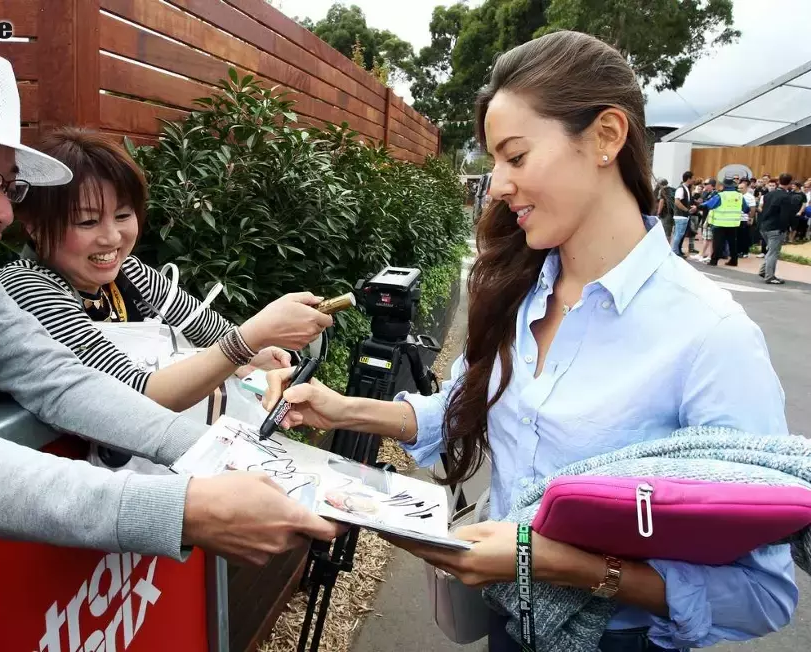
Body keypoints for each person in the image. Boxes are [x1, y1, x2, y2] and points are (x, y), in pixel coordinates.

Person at [263, 30, 796, 651]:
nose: (496, 185)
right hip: (509, 624)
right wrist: (339, 407)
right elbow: (461, 404)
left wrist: (553, 562)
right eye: (495, 162)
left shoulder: (712, 337)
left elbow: (762, 593)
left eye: (515, 157)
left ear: (605, 137)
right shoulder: (521, 290)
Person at [0, 38, 338, 567]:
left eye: (8, 185)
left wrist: (221, 456)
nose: (2, 211)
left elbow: (61, 381)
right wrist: (178, 509)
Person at [0, 127, 332, 468]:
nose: (112, 238)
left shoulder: (131, 274)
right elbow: (137, 397)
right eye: (87, 221)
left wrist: (255, 359)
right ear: (34, 225)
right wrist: (251, 338)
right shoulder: (27, 287)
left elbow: (213, 332)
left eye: (123, 215)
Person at [698, 176, 749, 267]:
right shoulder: (739, 195)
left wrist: (698, 207)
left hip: (719, 224)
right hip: (733, 223)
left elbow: (709, 205)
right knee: (732, 243)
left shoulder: (721, 195)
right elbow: (746, 209)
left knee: (717, 243)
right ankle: (734, 260)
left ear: (724, 186)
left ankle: (714, 261)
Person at [758, 174, 794, 285]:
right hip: (776, 227)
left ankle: (764, 271)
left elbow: (763, 209)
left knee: (770, 251)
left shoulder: (769, 194)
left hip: (764, 225)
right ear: (790, 183)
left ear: (779, 181)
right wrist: (785, 228)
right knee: (773, 252)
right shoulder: (786, 197)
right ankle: (769, 276)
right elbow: (785, 215)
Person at [671, 170, 695, 256]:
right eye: (692, 178)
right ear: (688, 178)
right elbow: (677, 201)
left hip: (684, 216)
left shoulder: (686, 188)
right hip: (681, 216)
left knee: (680, 234)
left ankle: (676, 250)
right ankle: (674, 251)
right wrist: (686, 210)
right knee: (679, 234)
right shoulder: (681, 188)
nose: (693, 180)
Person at [737, 178, 755, 257]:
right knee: (737, 236)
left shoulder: (750, 197)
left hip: (744, 219)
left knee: (744, 236)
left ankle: (744, 252)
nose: (739, 189)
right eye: (739, 188)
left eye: (741, 188)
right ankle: (737, 251)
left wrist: (750, 218)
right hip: (736, 219)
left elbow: (753, 209)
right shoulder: (736, 195)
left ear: (746, 188)